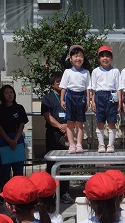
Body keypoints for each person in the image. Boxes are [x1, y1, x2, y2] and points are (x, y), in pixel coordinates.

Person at [41, 71, 73, 204]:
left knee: (66, 164)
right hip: (53, 133)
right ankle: (50, 192)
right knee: (52, 163)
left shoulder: (69, 96)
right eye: (57, 81)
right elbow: (47, 115)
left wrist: (68, 127)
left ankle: (65, 192)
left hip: (68, 132)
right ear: (52, 84)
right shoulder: (47, 97)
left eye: (62, 81)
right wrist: (60, 125)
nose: (60, 84)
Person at [0, 84, 28, 193]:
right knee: (5, 170)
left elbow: (22, 124)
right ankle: (5, 193)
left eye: (11, 92)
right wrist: (8, 140)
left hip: (17, 139)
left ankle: (19, 192)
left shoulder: (19, 108)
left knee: (18, 170)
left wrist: (15, 139)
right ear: (2, 95)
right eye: (6, 93)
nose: (9, 95)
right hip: (4, 140)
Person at [60, 44, 91, 154]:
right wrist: (62, 100)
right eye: (75, 56)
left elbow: (88, 88)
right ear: (71, 58)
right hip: (70, 97)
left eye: (81, 56)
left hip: (81, 97)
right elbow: (63, 87)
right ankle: (71, 144)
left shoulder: (86, 72)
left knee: (79, 123)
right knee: (70, 122)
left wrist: (88, 100)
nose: (78, 58)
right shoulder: (67, 72)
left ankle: (79, 144)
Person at [91, 45, 121, 153]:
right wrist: (93, 101)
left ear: (111, 58)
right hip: (99, 96)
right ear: (99, 59)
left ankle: (110, 145)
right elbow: (93, 89)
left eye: (108, 56)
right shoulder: (95, 71)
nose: (105, 58)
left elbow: (119, 88)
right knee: (100, 121)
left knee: (112, 121)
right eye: (102, 56)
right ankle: (101, 145)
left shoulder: (116, 71)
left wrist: (119, 102)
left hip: (111, 96)